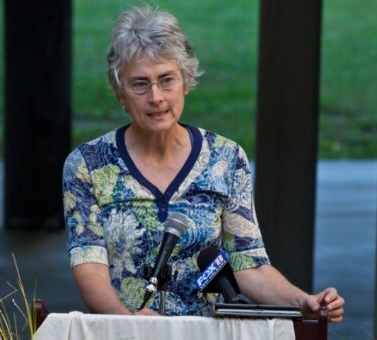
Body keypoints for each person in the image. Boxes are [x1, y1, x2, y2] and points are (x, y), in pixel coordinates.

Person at [63, 4, 344, 321]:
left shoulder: (226, 158)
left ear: (185, 82)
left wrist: (302, 300)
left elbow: (246, 264)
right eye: (140, 84)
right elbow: (89, 266)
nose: (156, 97)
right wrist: (129, 322)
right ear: (120, 93)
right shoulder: (87, 164)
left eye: (166, 80)